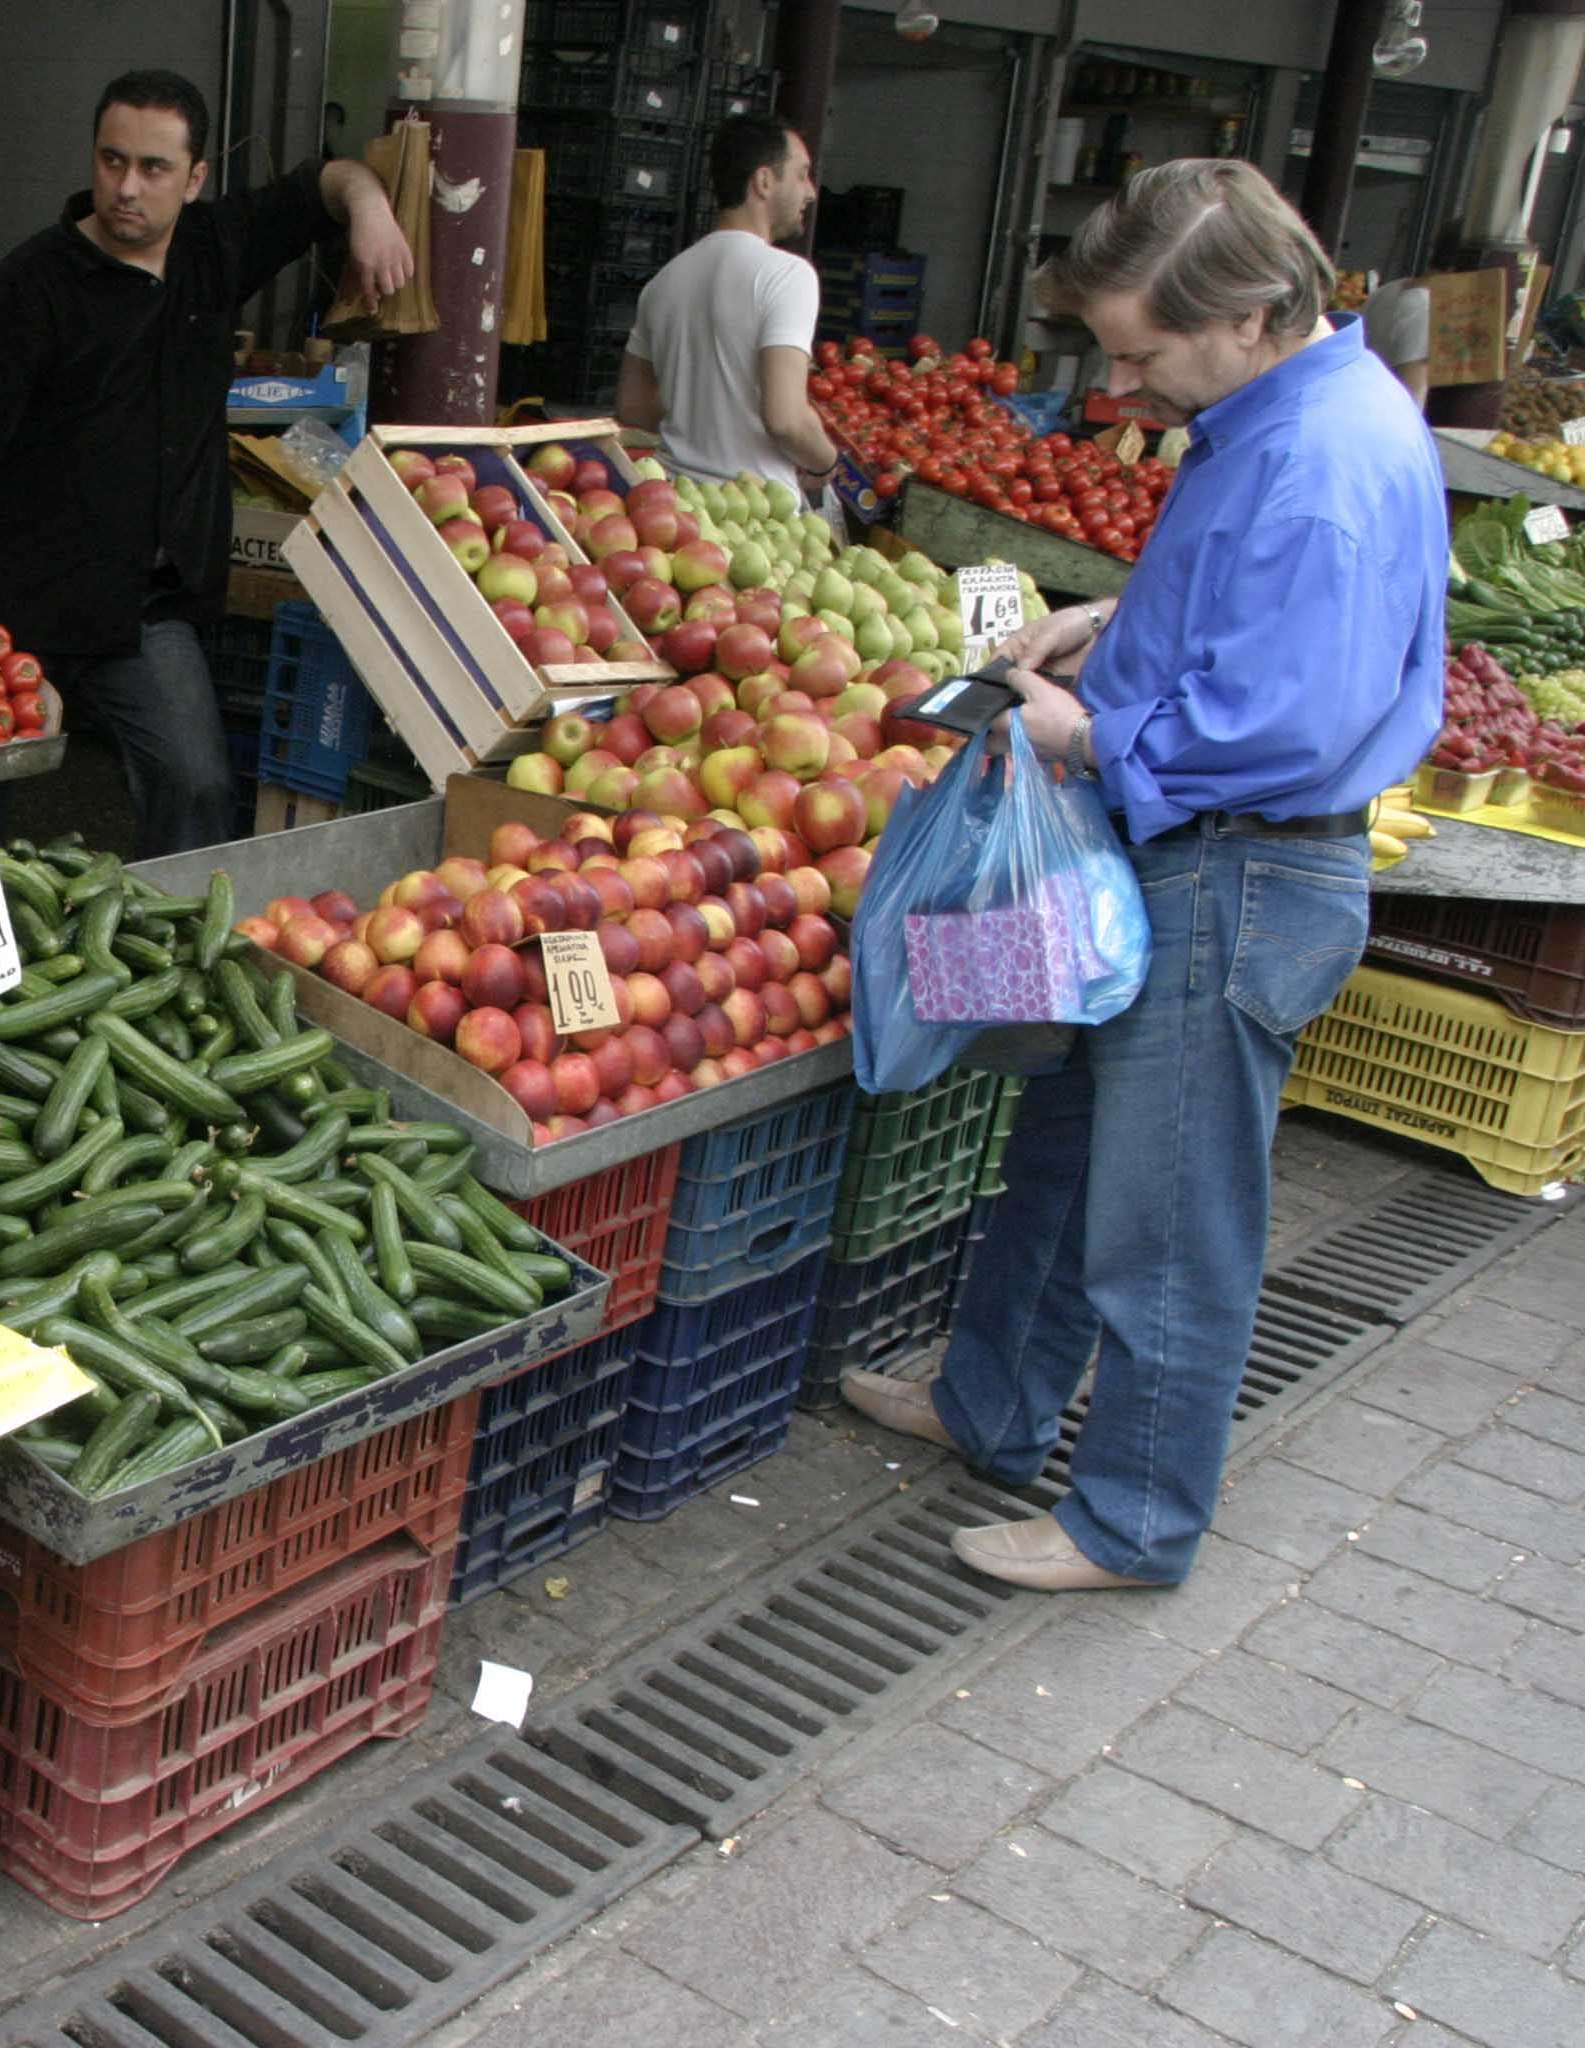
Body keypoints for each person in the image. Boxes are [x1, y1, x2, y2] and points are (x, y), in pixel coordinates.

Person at [843, 160, 1444, 1592]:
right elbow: (1248, 619)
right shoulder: (1279, 418)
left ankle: (1135, 1521)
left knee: (1169, 1218)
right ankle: (991, 1403)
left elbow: (1279, 720)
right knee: (1064, 1159)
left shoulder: (1321, 468)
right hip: (1182, 859)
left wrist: (1086, 730)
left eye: (1140, 352)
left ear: (1242, 310)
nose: (1121, 386)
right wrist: (1108, 622)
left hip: (1237, 875)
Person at [0, 70, 413, 857]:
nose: (127, 187)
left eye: (154, 169)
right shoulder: (26, 292)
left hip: (142, 607)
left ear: (194, 178)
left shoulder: (215, 247)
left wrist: (369, 209)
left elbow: (322, 184)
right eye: (111, 161)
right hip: (14, 605)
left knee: (196, 785)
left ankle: (178, 950)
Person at [615, 115, 833, 493]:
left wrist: (699, 413)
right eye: (801, 174)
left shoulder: (663, 281)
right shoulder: (788, 276)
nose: (811, 192)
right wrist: (826, 464)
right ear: (764, 182)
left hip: (673, 501)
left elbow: (633, 407)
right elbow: (786, 419)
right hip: (754, 514)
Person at [1360, 273, 1431, 407]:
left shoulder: (1388, 289)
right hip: (1385, 412)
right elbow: (1412, 398)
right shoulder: (1426, 308)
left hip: (1364, 401)